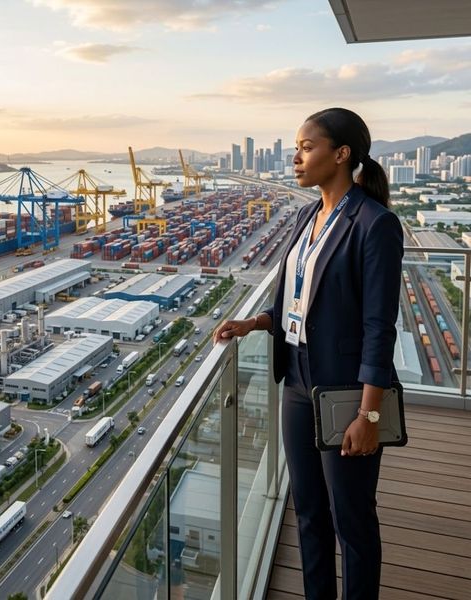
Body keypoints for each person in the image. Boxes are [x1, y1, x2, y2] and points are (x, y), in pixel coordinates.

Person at [213, 108, 403, 600]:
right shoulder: (305, 215)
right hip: (296, 380)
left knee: (352, 521)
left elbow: (379, 328)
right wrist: (255, 323)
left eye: (306, 146)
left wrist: (370, 413)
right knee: (310, 513)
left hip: (346, 391)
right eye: (296, 147)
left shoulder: (375, 224)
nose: (295, 157)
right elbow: (295, 303)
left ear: (341, 155)